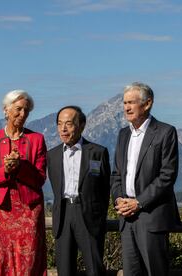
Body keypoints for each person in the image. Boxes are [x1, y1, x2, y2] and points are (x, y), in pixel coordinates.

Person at [111, 82, 181, 276]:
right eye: (124, 102)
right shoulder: (123, 134)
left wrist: (139, 202)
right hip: (126, 217)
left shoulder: (165, 132)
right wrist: (119, 201)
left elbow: (167, 176)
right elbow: (117, 174)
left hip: (152, 217)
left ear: (147, 103)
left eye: (131, 102)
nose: (126, 107)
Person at [0, 90, 47, 276]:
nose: (22, 114)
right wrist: (6, 171)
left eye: (26, 110)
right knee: (2, 259)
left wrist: (21, 167)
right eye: (18, 109)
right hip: (2, 209)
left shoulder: (37, 140)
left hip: (29, 209)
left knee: (29, 261)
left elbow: (40, 178)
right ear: (6, 110)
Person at [47, 106, 111, 276]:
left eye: (69, 123)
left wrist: (99, 215)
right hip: (63, 216)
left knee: (94, 269)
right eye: (60, 124)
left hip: (89, 215)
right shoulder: (51, 155)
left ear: (81, 125)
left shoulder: (97, 152)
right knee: (64, 270)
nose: (63, 129)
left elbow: (105, 189)